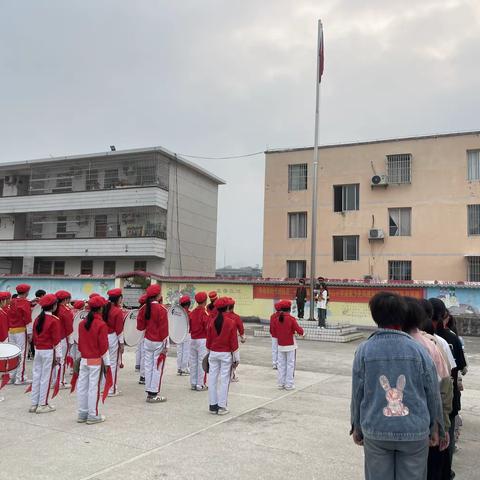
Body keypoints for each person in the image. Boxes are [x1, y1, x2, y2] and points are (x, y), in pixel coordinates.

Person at [351, 292, 444, 480]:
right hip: (414, 431)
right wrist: (436, 427)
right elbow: (432, 392)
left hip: (377, 429)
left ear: (375, 316)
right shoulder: (419, 350)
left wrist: (356, 425)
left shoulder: (364, 350)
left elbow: (357, 392)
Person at [402, 297, 452, 480]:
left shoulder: (378, 346)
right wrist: (442, 425)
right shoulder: (432, 344)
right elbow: (444, 388)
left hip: (397, 427)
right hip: (424, 426)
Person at [429, 298, 467, 480]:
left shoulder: (419, 339)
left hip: (426, 406)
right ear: (444, 315)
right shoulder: (450, 339)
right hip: (447, 400)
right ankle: (445, 473)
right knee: (445, 440)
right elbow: (456, 370)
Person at [77, 295, 111, 424]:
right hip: (95, 360)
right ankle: (92, 415)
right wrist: (107, 363)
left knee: (82, 387)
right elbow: (103, 347)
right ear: (101, 308)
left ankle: (82, 413)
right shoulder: (101, 324)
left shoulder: (81, 323)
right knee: (93, 388)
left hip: (84, 359)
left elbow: (80, 344)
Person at [206, 297, 239, 415]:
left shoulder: (212, 321)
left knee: (212, 379)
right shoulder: (231, 322)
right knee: (224, 380)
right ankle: (222, 406)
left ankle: (212, 405)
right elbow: (234, 343)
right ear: (228, 307)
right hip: (225, 354)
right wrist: (236, 358)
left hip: (213, 353)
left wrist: (208, 353)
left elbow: (208, 341)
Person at [136, 284, 169, 403]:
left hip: (147, 340)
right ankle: (154, 393)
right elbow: (164, 330)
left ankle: (149, 392)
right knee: (157, 368)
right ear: (158, 295)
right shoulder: (162, 309)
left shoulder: (144, 308)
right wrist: (166, 346)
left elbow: (140, 327)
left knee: (148, 367)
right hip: (158, 342)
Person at [30, 294, 62, 414]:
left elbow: (34, 336)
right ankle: (42, 404)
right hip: (48, 351)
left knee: (37, 376)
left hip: (38, 350)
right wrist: (58, 356)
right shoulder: (54, 320)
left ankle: (34, 403)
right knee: (46, 378)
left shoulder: (38, 319)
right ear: (53, 306)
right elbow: (56, 341)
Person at [276, 300, 304, 390]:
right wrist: (302, 333)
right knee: (290, 365)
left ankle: (281, 383)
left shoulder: (277, 319)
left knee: (281, 364)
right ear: (289, 309)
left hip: (280, 344)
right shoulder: (291, 319)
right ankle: (289, 384)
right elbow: (299, 330)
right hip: (290, 344)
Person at [7, 284, 32, 385]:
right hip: (21, 330)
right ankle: (20, 378)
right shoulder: (25, 302)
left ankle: (12, 376)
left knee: (13, 354)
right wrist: (30, 332)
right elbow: (27, 318)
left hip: (11, 330)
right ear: (26, 292)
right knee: (22, 354)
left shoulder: (12, 301)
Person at [102, 288, 125, 397]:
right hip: (112, 338)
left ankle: (104, 387)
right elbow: (119, 330)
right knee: (113, 363)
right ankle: (111, 389)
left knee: (104, 362)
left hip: (103, 337)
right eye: (121, 297)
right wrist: (121, 344)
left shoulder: (103, 308)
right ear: (118, 298)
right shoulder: (117, 311)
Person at [189, 291, 210, 391]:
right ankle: (200, 384)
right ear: (205, 301)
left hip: (192, 339)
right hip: (202, 340)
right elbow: (207, 328)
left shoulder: (192, 313)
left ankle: (193, 383)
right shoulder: (205, 313)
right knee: (202, 362)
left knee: (193, 362)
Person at [54, 290, 74, 389]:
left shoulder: (53, 309)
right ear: (66, 299)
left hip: (53, 338)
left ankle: (54, 381)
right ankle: (60, 382)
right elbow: (69, 328)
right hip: (62, 338)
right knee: (61, 360)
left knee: (54, 360)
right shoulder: (66, 311)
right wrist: (70, 341)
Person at [227, 297, 245, 382]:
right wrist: (243, 338)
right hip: (233, 342)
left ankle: (229, 375)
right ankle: (231, 375)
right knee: (235, 360)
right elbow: (241, 329)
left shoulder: (220, 316)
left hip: (222, 342)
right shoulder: (236, 317)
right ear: (233, 306)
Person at [28, 289, 46, 360]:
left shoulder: (32, 303)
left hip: (32, 323)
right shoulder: (42, 303)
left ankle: (33, 353)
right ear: (42, 295)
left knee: (33, 339)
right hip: (40, 323)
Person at [177, 295, 191, 376]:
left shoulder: (177, 313)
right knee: (186, 352)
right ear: (188, 304)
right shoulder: (189, 313)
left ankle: (179, 368)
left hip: (178, 333)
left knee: (180, 351)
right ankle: (184, 368)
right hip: (187, 334)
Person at [136, 293, 147, 383]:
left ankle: (138, 366)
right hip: (145, 334)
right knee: (145, 355)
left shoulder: (140, 310)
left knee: (139, 350)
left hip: (140, 333)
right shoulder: (145, 310)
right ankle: (143, 376)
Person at [270, 302, 281, 370]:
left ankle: (274, 363)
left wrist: (271, 333)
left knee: (274, 349)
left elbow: (271, 326)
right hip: (281, 335)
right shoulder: (282, 316)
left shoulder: (272, 316)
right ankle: (279, 363)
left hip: (274, 334)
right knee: (280, 349)